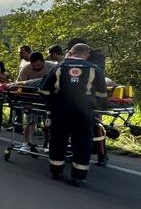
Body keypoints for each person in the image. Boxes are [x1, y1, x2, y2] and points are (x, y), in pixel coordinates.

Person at [40, 42, 107, 186]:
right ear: (87, 55)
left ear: (70, 52)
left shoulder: (58, 68)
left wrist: (51, 108)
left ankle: (56, 172)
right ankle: (79, 177)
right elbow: (102, 95)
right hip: (83, 114)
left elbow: (44, 91)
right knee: (82, 144)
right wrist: (92, 108)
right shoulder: (94, 69)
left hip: (61, 112)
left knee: (58, 142)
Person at [18, 52, 55, 150]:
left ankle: (48, 144)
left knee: (48, 122)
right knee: (30, 121)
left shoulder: (51, 67)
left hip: (47, 97)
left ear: (43, 61)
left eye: (38, 65)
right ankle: (26, 144)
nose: (36, 67)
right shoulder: (26, 69)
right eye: (33, 65)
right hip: (31, 97)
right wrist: (26, 103)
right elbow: (21, 86)